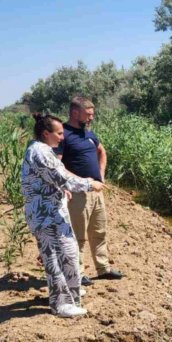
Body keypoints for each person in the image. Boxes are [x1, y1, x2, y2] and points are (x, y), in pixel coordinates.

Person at [22, 113, 104, 318]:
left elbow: (53, 179)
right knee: (55, 259)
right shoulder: (39, 152)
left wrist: (61, 190)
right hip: (46, 217)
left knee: (69, 253)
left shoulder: (44, 150)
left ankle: (71, 292)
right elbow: (60, 177)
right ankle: (61, 304)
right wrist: (88, 183)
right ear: (45, 133)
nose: (62, 137)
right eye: (59, 133)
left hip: (53, 214)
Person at [57, 95, 123, 286]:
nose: (91, 117)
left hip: (96, 191)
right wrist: (79, 182)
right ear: (75, 112)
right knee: (77, 235)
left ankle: (103, 269)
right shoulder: (63, 134)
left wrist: (100, 175)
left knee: (99, 231)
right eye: (88, 114)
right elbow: (57, 166)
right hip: (77, 194)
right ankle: (78, 272)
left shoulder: (89, 134)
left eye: (92, 114)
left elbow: (102, 151)